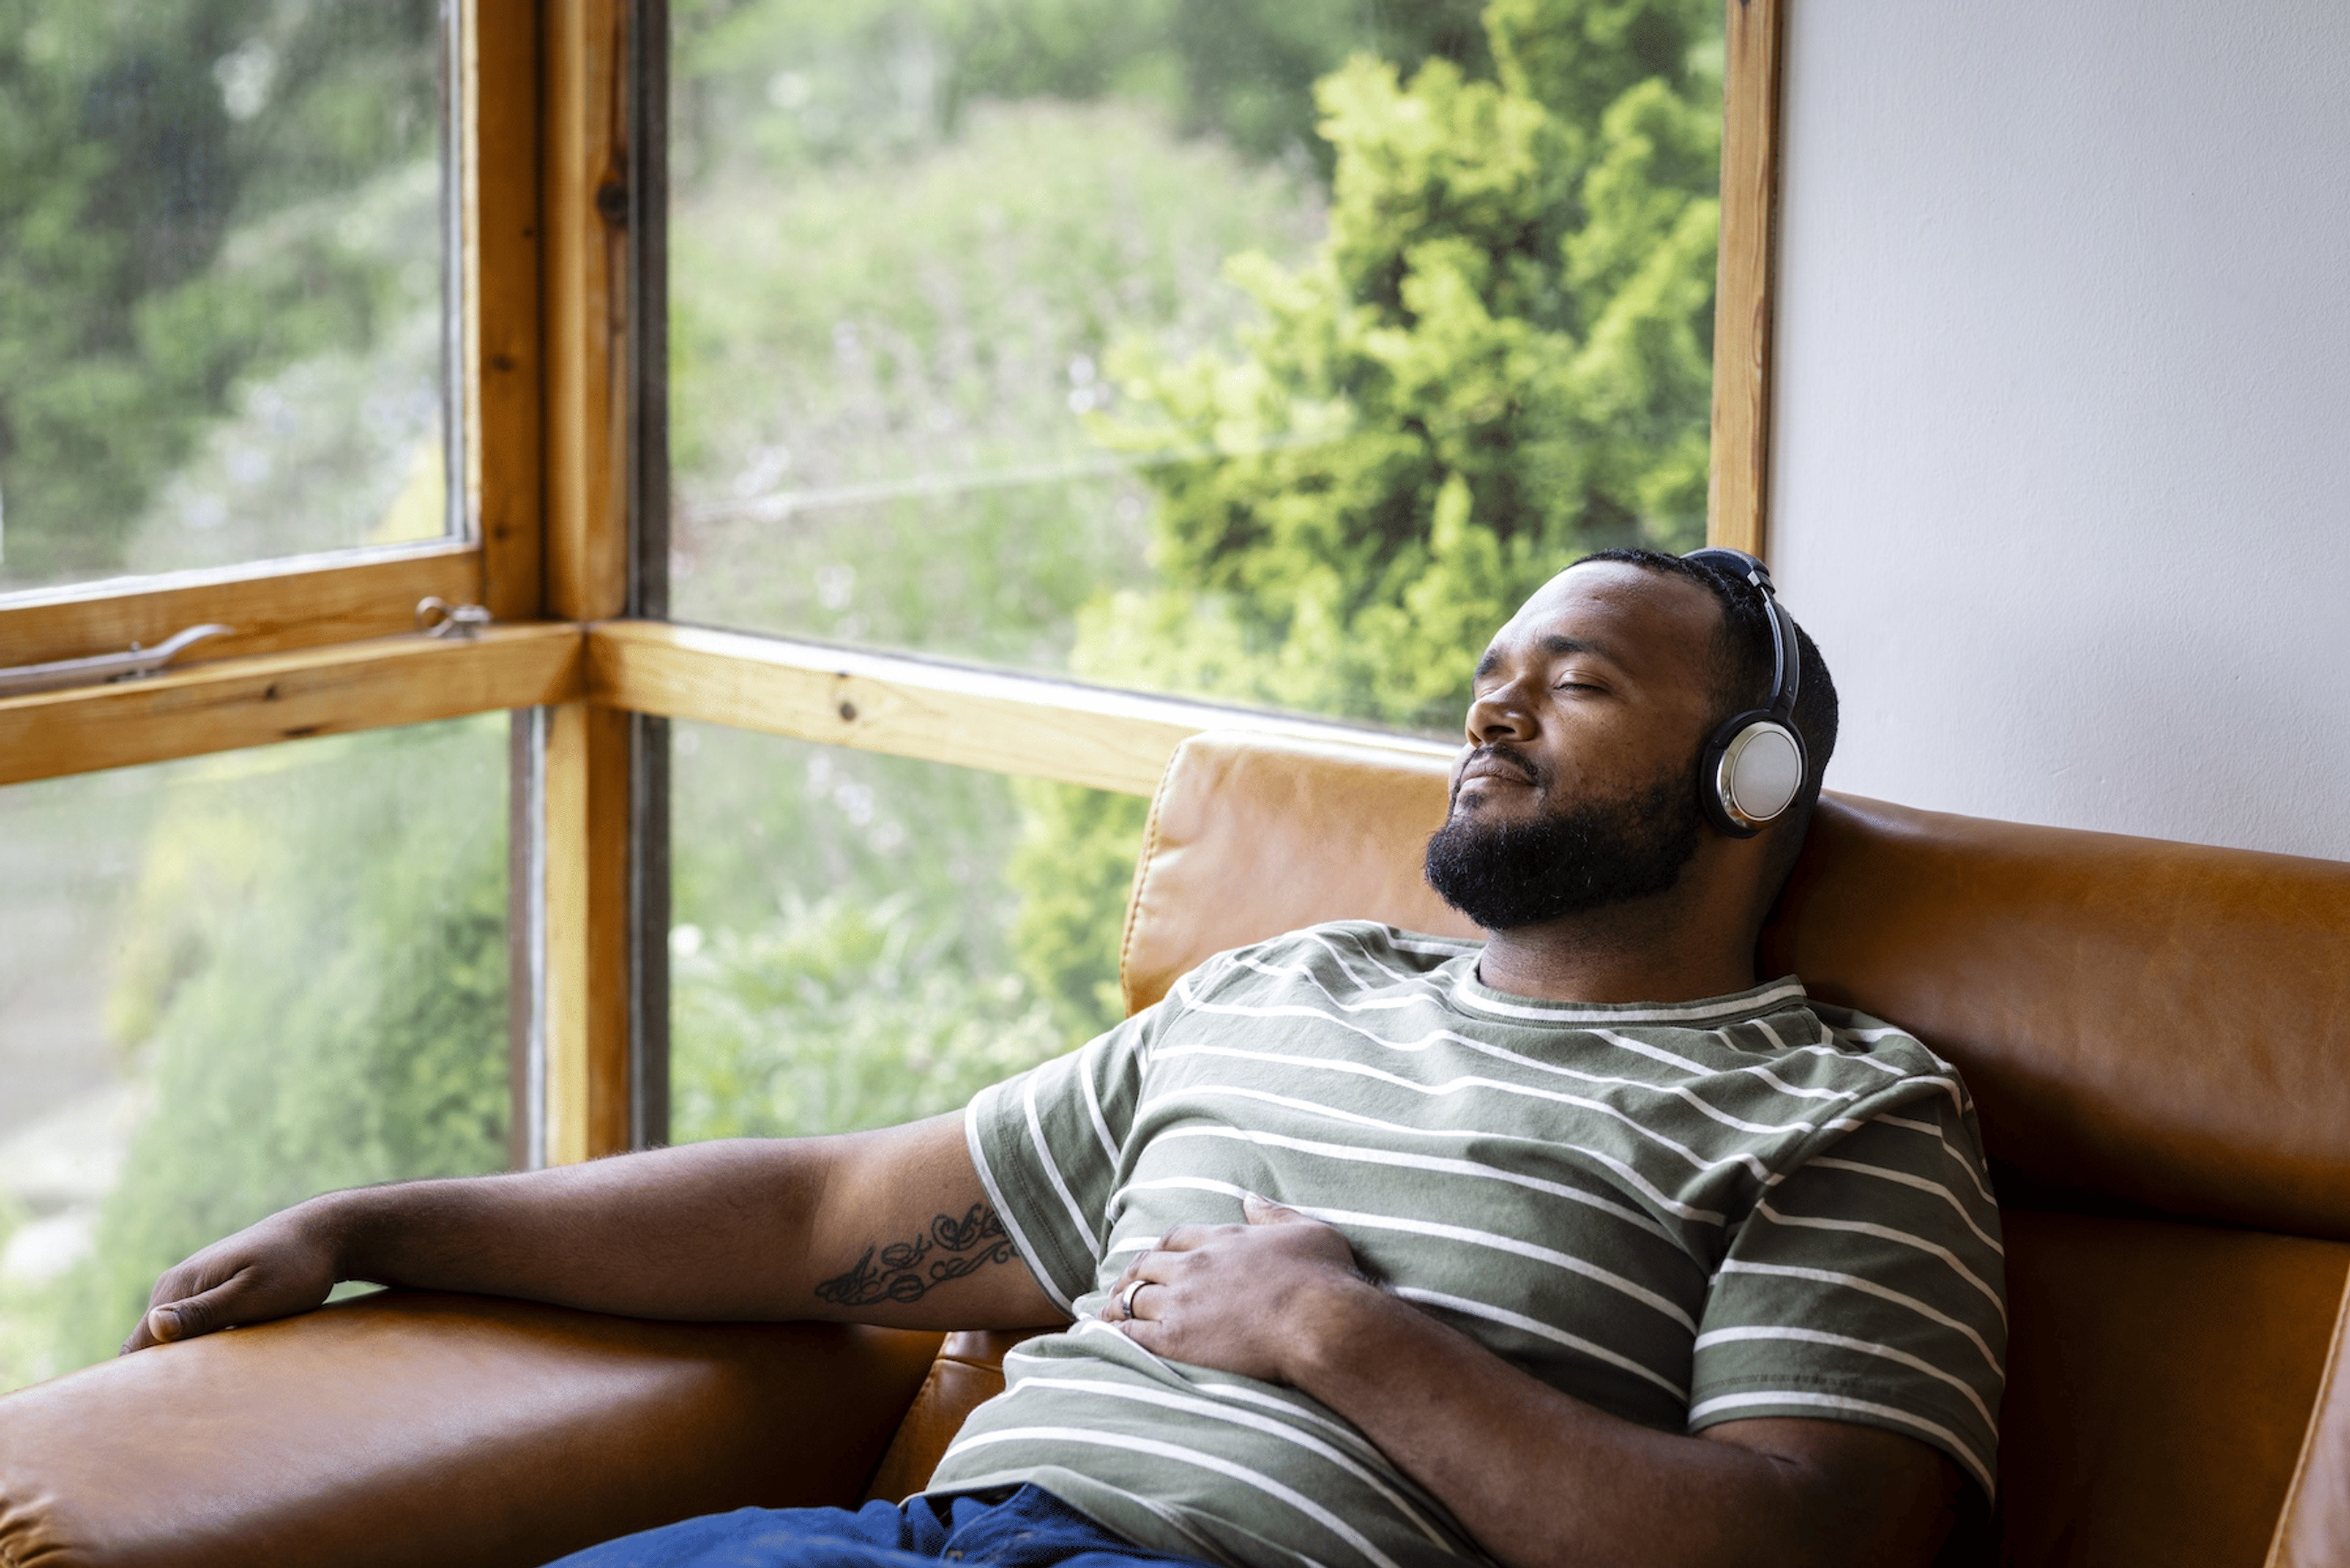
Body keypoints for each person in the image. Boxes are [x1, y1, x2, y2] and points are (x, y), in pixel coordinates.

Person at [124, 549, 2004, 1568]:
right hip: (914, 1546)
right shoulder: (1293, 988)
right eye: (1494, 669)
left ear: (1750, 784)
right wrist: (370, 1221)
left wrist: (1335, 1334)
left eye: (1574, 680)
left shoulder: (1846, 1111)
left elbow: (1804, 1543)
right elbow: (816, 1221)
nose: (1489, 704)